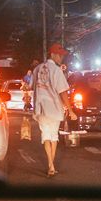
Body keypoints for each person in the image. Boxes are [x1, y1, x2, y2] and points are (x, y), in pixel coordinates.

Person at [32, 44, 72, 177]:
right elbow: (63, 92)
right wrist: (71, 111)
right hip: (54, 109)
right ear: (53, 54)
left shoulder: (37, 69)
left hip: (41, 109)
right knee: (53, 137)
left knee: (46, 137)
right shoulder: (56, 70)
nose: (61, 58)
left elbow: (33, 87)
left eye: (62, 56)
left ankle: (51, 165)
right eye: (60, 55)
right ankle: (51, 165)